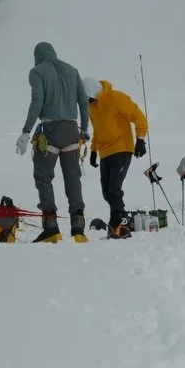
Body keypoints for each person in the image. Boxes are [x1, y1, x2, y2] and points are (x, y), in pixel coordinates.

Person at [15, 41, 91, 243]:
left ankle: (51, 228)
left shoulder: (37, 72)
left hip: (49, 132)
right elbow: (84, 103)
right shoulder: (72, 71)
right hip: (72, 131)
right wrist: (84, 129)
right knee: (73, 179)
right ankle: (78, 229)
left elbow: (37, 100)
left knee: (43, 177)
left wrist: (26, 131)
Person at [83, 77, 148, 239]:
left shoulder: (115, 97)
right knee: (107, 192)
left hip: (122, 148)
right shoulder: (92, 107)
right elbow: (97, 130)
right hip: (105, 152)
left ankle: (117, 223)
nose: (85, 100)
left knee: (114, 188)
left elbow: (138, 115)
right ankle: (123, 221)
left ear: (92, 92)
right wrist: (93, 150)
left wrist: (140, 139)